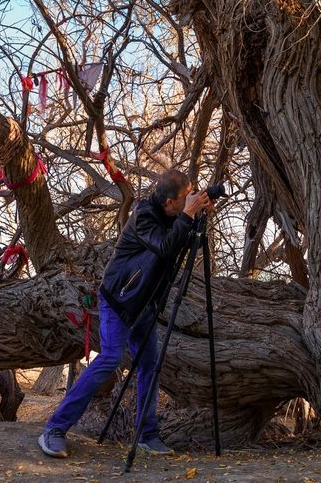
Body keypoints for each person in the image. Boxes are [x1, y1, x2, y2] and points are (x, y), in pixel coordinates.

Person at [38, 169, 211, 459]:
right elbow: (167, 247)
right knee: (110, 359)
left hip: (144, 306)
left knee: (149, 366)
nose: (191, 198)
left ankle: (147, 434)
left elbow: (181, 240)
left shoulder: (172, 215)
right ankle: (54, 429)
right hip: (119, 302)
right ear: (170, 202)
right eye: (186, 196)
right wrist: (188, 216)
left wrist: (197, 214)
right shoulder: (144, 216)